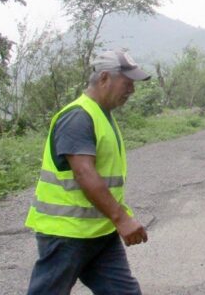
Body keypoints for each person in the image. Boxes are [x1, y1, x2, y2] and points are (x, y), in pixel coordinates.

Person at [25, 50, 151, 295]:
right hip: (67, 233)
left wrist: (114, 220)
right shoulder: (78, 117)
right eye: (127, 83)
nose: (131, 91)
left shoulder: (101, 115)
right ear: (104, 78)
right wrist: (122, 219)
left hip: (99, 232)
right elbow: (84, 173)